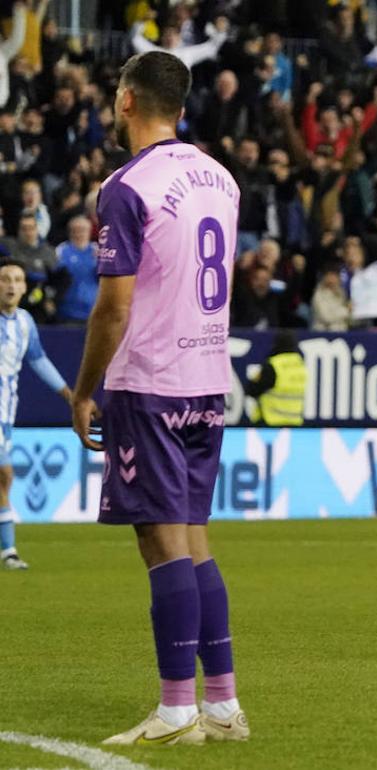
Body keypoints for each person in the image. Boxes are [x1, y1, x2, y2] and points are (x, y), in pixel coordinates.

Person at [69, 51, 248, 745]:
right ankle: (224, 705)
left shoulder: (126, 184)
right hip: (207, 378)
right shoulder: (222, 179)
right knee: (196, 539)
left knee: (160, 539)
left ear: (124, 100)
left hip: (149, 381)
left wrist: (85, 391)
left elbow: (113, 308)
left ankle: (177, 711)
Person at [0, 260, 71, 570]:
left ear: (25, 287)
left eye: (17, 279)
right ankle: (9, 550)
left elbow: (39, 361)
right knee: (4, 475)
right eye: (5, 279)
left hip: (5, 413)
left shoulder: (25, 322)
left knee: (3, 477)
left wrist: (70, 396)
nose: (11, 285)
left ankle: (9, 551)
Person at [244, 330, 307, 426]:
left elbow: (252, 390)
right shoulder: (300, 364)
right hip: (295, 421)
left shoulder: (274, 365)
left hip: (271, 422)